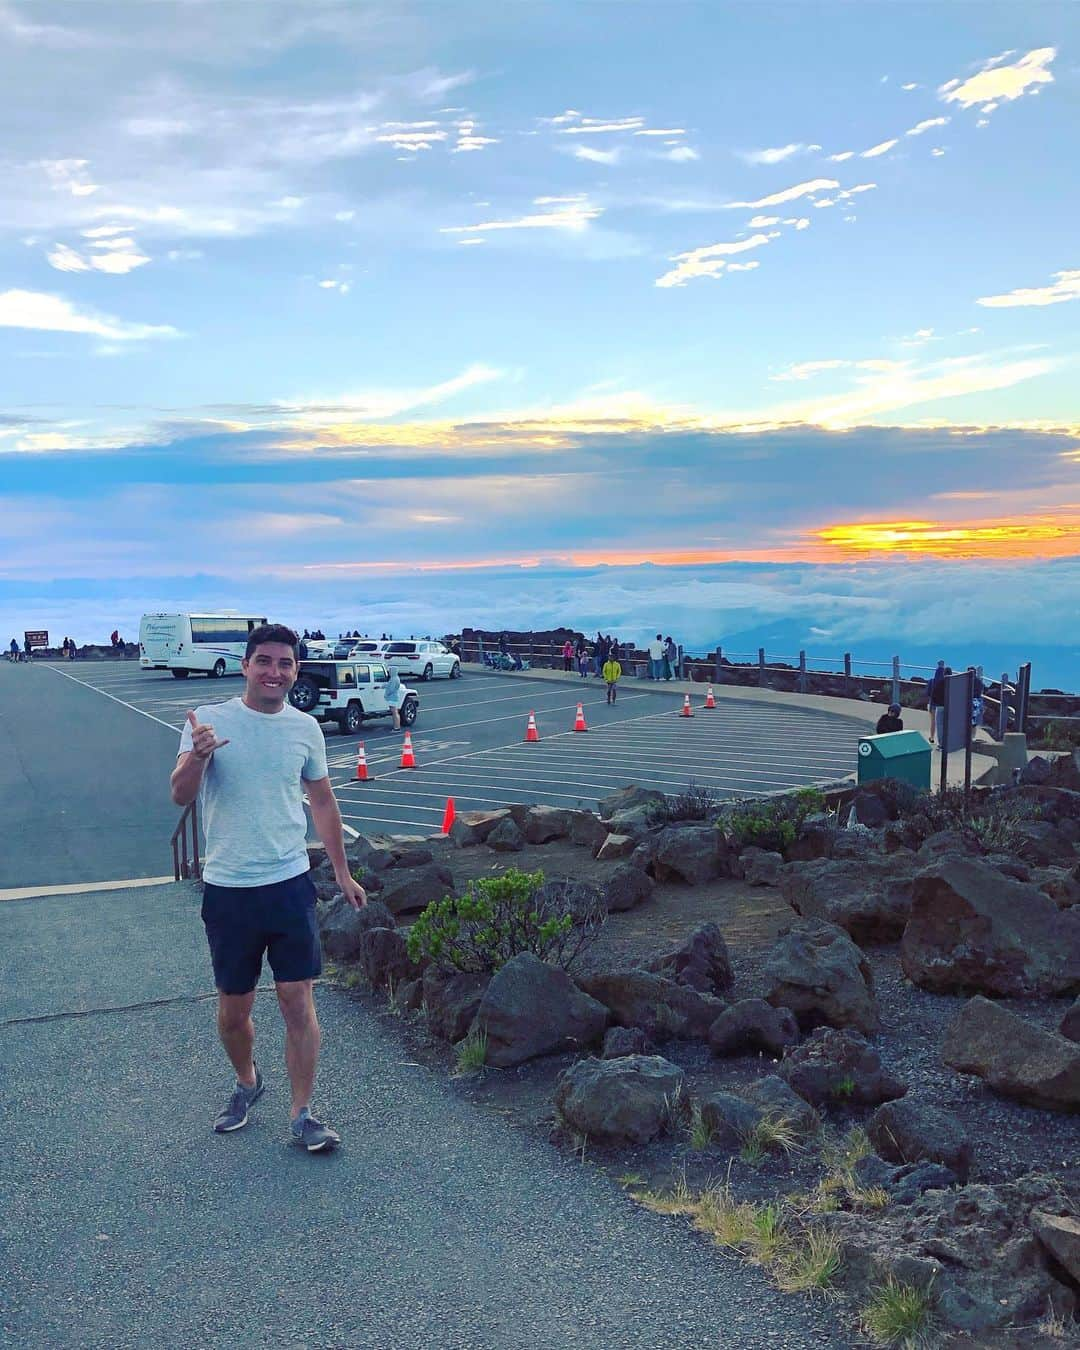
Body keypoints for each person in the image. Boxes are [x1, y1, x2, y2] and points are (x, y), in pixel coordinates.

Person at [170, 623, 366, 1152]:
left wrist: (342, 873)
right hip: (229, 887)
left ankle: (303, 1113)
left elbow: (323, 802)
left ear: (296, 670)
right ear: (245, 666)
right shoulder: (207, 723)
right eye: (264, 661)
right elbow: (180, 795)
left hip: (289, 883)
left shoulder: (305, 729)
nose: (274, 672)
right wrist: (199, 754)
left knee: (296, 1002)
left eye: (285, 663)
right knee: (234, 1012)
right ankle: (248, 1083)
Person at [927, 660, 946, 744]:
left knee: (933, 722)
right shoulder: (946, 682)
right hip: (942, 704)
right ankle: (941, 740)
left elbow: (928, 693)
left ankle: (932, 737)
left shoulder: (931, 681)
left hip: (932, 703)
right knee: (941, 723)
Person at [385, 663, 402, 730]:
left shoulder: (394, 679)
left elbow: (391, 688)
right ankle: (397, 726)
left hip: (392, 697)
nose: (389, 672)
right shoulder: (396, 678)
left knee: (394, 712)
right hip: (394, 696)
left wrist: (387, 694)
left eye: (390, 671)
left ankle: (396, 727)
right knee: (395, 712)